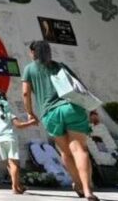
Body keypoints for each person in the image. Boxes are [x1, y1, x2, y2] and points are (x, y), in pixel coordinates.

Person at [22, 40, 99, 201]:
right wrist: (93, 110)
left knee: (65, 152)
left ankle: (77, 184)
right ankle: (87, 190)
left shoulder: (29, 69)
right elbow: (81, 87)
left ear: (32, 53)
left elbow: (25, 94)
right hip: (72, 108)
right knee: (80, 150)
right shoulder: (60, 66)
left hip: (50, 113)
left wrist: (30, 113)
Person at [0, 90, 36, 194]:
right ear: (5, 98)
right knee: (15, 165)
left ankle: (18, 186)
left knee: (9, 164)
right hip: (10, 138)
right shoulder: (8, 111)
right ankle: (14, 186)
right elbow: (18, 125)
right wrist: (31, 123)